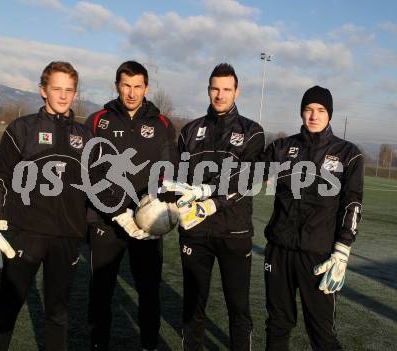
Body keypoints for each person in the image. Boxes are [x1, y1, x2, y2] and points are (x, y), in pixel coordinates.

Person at [0, 61, 99, 350]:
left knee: (57, 314)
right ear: (43, 91)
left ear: (75, 93)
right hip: (26, 233)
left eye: (69, 90)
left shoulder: (86, 137)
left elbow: (99, 187)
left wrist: (125, 214)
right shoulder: (22, 128)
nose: (63, 95)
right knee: (7, 309)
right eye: (56, 89)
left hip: (67, 238)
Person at [166, 63, 265, 350]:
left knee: (238, 308)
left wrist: (211, 201)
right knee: (193, 307)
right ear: (208, 90)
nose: (220, 95)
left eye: (226, 89)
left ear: (237, 91)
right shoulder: (189, 131)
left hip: (234, 233)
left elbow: (246, 178)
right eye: (215, 89)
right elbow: (177, 178)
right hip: (194, 233)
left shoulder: (252, 131)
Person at [85, 60, 177, 351]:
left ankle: (149, 345)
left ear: (146, 88)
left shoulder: (161, 124)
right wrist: (115, 211)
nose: (132, 93)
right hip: (106, 222)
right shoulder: (99, 120)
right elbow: (90, 171)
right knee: (101, 293)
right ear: (117, 86)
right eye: (126, 85)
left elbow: (168, 171)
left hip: (146, 225)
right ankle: (99, 345)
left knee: (149, 292)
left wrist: (163, 205)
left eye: (138, 86)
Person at [263, 86, 364, 350]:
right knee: (277, 325)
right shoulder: (281, 148)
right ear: (302, 112)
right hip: (279, 251)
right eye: (308, 109)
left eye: (320, 110)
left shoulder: (348, 154)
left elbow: (352, 203)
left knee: (322, 333)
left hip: (319, 256)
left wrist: (342, 249)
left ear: (329, 114)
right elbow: (247, 175)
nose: (314, 115)